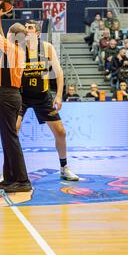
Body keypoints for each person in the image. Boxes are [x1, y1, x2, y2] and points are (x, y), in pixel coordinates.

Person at [17, 20, 79, 181]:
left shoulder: (47, 48)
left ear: (37, 33)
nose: (26, 30)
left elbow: (58, 72)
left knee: (60, 132)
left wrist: (58, 95)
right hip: (22, 96)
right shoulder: (18, 49)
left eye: (29, 28)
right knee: (13, 131)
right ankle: (9, 170)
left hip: (42, 96)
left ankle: (64, 167)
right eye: (25, 28)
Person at [0, 0, 31, 193]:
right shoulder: (17, 49)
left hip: (8, 95)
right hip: (11, 95)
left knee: (11, 138)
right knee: (8, 138)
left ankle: (22, 180)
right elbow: (0, 32)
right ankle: (10, 177)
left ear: (14, 37)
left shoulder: (12, 49)